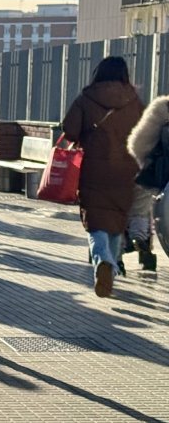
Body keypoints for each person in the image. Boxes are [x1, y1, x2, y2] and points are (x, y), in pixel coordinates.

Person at [62, 56, 143, 298]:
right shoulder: (134, 101)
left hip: (94, 169)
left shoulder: (86, 98)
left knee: (95, 221)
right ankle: (113, 264)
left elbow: (70, 130)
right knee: (117, 220)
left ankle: (103, 261)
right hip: (126, 170)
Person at [126, 93, 168, 272]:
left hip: (160, 179)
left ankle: (135, 242)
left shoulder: (163, 108)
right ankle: (141, 245)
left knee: (138, 209)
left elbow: (137, 144)